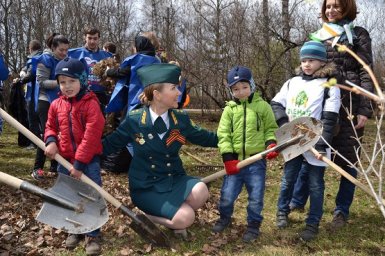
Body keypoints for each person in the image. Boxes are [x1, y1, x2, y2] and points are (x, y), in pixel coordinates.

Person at [102, 63, 218, 238]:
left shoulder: (180, 120)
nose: (179, 92)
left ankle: (173, 212)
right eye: (173, 88)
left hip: (173, 179)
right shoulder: (135, 120)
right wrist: (81, 156)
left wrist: (238, 143)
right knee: (187, 217)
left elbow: (207, 138)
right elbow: (110, 144)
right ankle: (149, 217)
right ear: (157, 94)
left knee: (201, 190)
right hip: (147, 186)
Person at [290, 0, 374, 231]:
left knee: (347, 160)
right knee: (312, 153)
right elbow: (308, 69)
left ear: (347, 7)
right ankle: (297, 201)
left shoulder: (358, 35)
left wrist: (364, 108)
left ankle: (341, 211)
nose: (331, 10)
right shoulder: (318, 36)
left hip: (348, 105)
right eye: (328, 6)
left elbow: (366, 72)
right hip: (320, 106)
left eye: (336, 6)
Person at [271, 41, 341, 241]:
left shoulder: (329, 86)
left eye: (311, 60)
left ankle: (313, 222)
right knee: (288, 179)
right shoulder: (292, 82)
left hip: (316, 142)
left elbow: (329, 118)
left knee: (316, 184)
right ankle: (282, 211)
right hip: (293, 139)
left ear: (321, 62)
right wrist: (286, 126)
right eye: (303, 60)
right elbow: (276, 103)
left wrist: (320, 143)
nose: (306, 64)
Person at [44, 57, 105, 255]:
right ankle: (73, 229)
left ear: (83, 80)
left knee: (90, 195)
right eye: (63, 82)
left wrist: (79, 164)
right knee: (68, 195)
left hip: (87, 162)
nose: (67, 86)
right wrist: (51, 141)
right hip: (64, 160)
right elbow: (50, 126)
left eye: (72, 81)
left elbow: (91, 135)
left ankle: (92, 233)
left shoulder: (91, 104)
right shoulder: (56, 105)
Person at [212, 66, 278, 242]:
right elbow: (223, 134)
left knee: (256, 197)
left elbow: (271, 129)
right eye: (235, 89)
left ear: (252, 85)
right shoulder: (229, 110)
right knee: (227, 195)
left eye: (244, 87)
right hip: (235, 162)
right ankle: (224, 218)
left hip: (256, 161)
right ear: (231, 91)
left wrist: (270, 144)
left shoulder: (263, 107)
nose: (240, 92)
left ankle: (253, 225)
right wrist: (227, 157)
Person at [30, 33, 69, 180]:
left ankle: (54, 166)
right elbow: (42, 82)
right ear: (53, 47)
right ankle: (37, 168)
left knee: (59, 133)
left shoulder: (65, 60)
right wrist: (62, 84)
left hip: (60, 102)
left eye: (66, 50)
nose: (64, 53)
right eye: (61, 50)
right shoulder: (44, 60)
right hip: (45, 101)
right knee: (47, 134)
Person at [105, 31, 161, 113]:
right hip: (151, 99)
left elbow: (123, 72)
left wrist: (108, 71)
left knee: (126, 123)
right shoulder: (157, 60)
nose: (134, 47)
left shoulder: (140, 60)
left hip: (138, 99)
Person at [68, 27, 112, 110]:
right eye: (89, 38)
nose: (92, 41)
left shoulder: (107, 56)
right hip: (81, 94)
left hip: (101, 94)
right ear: (85, 37)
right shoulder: (74, 54)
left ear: (99, 39)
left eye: (95, 38)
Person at [12, 40, 43, 148]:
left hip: (34, 93)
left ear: (30, 49)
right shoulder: (41, 57)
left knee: (33, 118)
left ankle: (35, 143)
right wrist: (23, 71)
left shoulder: (35, 59)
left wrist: (20, 80)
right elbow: (27, 68)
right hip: (40, 93)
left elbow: (31, 73)